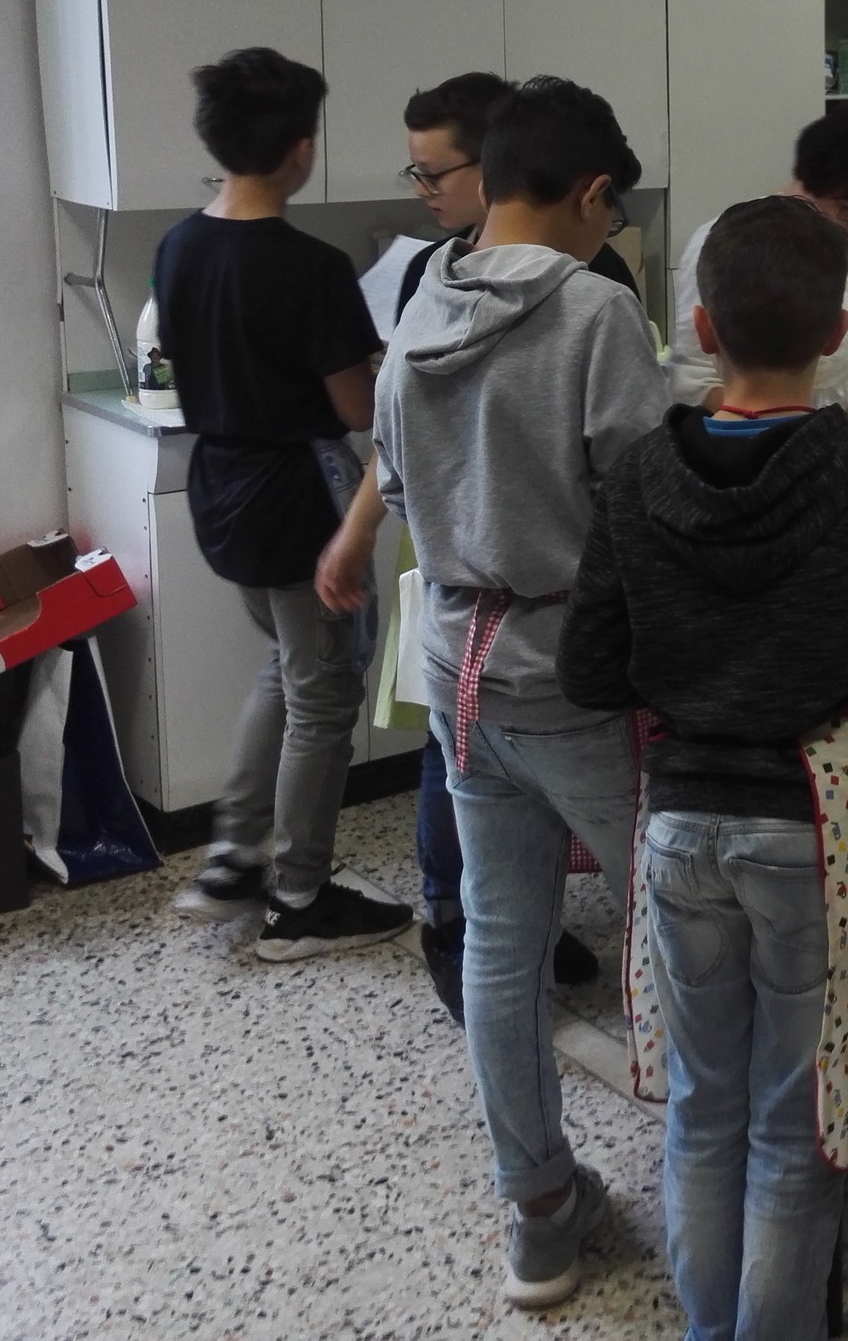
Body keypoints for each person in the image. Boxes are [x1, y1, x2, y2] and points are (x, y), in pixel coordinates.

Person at [561, 195, 848, 1341]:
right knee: (793, 1134)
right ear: (838, 334)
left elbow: (588, 670)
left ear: (699, 327)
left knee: (701, 1112)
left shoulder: (639, 476)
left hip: (679, 827)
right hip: (808, 835)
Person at [373, 76, 669, 1310]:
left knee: (500, 944)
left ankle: (540, 1213)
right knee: (681, 927)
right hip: (575, 673)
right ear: (591, 195)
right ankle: (730, 1182)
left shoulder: (414, 307)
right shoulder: (596, 312)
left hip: (458, 669)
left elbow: (399, 491)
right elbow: (648, 508)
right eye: (613, 214)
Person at [312, 70, 609, 1019]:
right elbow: (395, 440)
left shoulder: (580, 278)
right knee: (464, 759)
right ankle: (452, 915)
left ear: (496, 167)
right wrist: (360, 529)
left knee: (508, 801)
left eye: (434, 172)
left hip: (498, 597)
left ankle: (521, 917)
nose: (422, 190)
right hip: (495, 594)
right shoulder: (439, 276)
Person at [155, 47, 409, 959]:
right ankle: (299, 898)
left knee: (288, 665)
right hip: (297, 494)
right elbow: (353, 408)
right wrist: (384, 366)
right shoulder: (311, 267)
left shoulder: (179, 246)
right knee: (324, 696)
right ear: (302, 148)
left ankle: (234, 856)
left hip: (220, 489)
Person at [671, 108, 848, 429]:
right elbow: (693, 374)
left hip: (832, 435)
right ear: (810, 183)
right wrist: (790, 430)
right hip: (742, 434)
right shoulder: (729, 240)